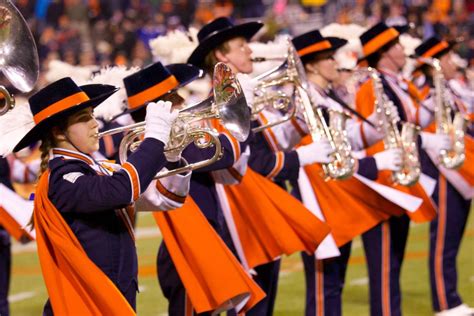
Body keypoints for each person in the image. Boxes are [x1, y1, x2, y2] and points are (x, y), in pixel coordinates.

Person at [12, 77, 181, 315]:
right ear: (59, 131)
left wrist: (171, 155)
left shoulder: (98, 170)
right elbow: (122, 190)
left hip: (111, 294)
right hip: (86, 301)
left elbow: (166, 198)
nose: (95, 124)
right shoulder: (62, 179)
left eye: (92, 115)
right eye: (84, 119)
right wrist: (153, 140)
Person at [355, 22, 443, 316]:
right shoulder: (372, 86)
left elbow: (411, 120)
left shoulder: (396, 82)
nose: (403, 49)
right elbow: (377, 135)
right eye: (396, 44)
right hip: (384, 186)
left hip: (400, 180)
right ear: (384, 51)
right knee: (384, 270)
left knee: (392, 267)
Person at [413, 37, 474, 316]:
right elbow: (415, 128)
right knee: (444, 239)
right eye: (447, 57)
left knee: (454, 236)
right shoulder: (426, 92)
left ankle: (450, 297)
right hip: (443, 170)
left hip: (458, 166)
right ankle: (444, 301)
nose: (454, 62)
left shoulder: (451, 89)